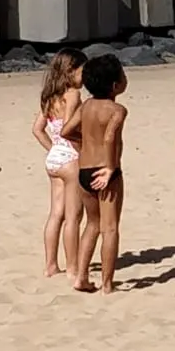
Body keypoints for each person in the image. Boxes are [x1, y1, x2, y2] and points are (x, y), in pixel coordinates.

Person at [62, 52, 127, 295]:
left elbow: (66, 131)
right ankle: (107, 283)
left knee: (92, 224)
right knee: (110, 228)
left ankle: (81, 276)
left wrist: (86, 143)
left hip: (84, 170)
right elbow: (110, 137)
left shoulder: (86, 106)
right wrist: (110, 167)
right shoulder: (117, 110)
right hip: (105, 172)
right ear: (115, 85)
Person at [32, 46, 85, 277]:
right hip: (70, 158)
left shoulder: (49, 96)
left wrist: (53, 148)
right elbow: (68, 128)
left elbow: (37, 129)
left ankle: (50, 265)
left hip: (54, 158)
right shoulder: (72, 95)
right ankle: (72, 266)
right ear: (71, 71)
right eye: (82, 71)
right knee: (73, 216)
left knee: (56, 214)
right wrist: (82, 147)